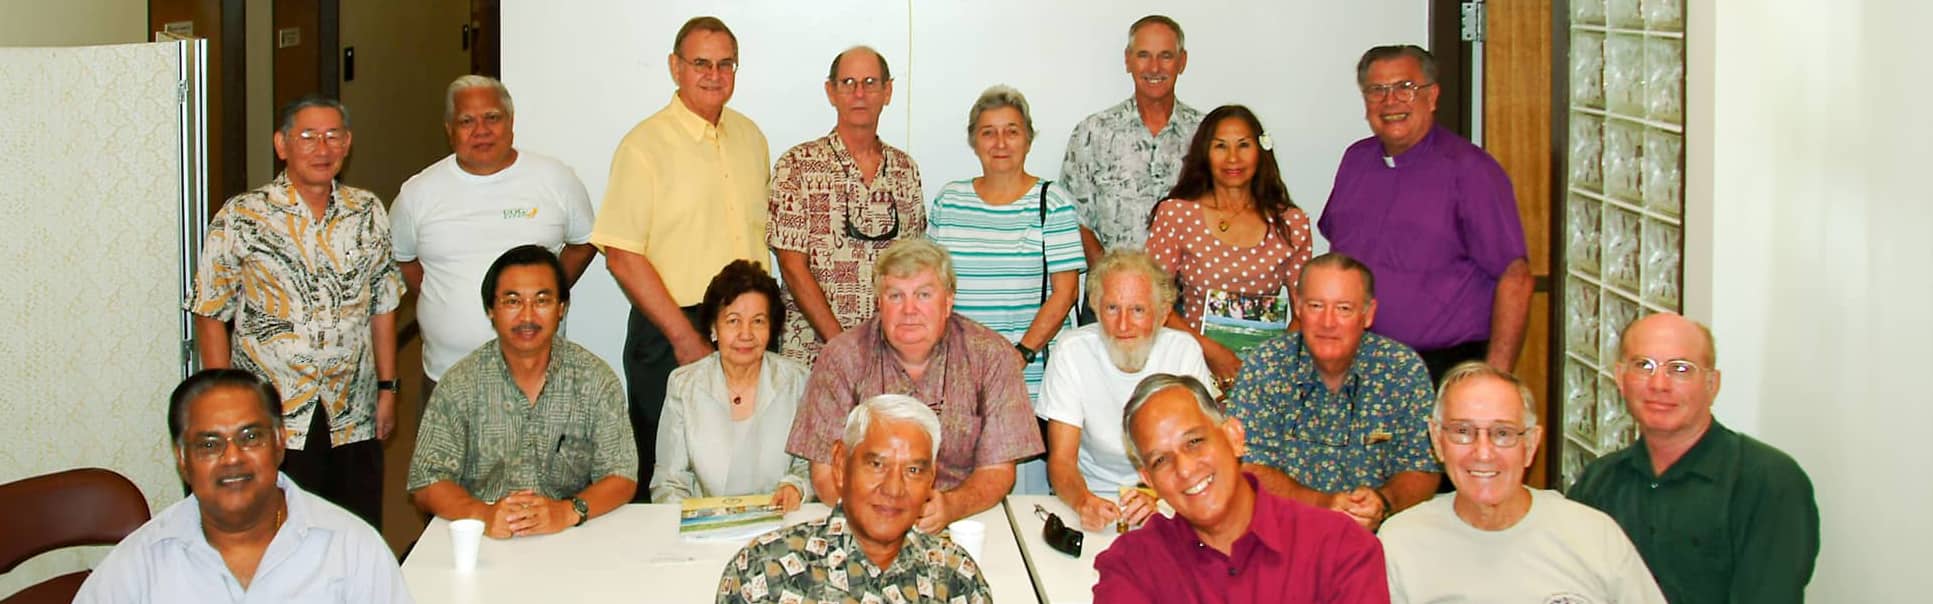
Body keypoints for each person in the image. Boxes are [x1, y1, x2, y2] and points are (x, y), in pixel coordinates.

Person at [188, 94, 403, 530]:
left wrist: (388, 387)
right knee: (277, 530)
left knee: (354, 530)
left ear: (347, 145)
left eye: (332, 136)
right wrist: (225, 402)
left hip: (352, 409)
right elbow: (210, 311)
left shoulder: (368, 211)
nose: (321, 149)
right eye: (307, 137)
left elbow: (384, 303)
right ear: (281, 145)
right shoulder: (244, 216)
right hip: (273, 412)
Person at [590, 16, 771, 500]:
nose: (714, 74)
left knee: (746, 465)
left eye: (726, 63)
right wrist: (684, 336)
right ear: (675, 67)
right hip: (672, 330)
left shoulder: (751, 138)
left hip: (748, 328)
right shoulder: (643, 146)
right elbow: (622, 255)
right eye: (700, 63)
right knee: (665, 476)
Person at [76, 370, 410, 602]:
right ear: (182, 459)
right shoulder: (139, 564)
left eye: (250, 437)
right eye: (209, 444)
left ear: (280, 443)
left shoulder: (352, 550)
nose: (232, 457)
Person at [786, 237, 1042, 533]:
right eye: (896, 296)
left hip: (965, 519)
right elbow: (825, 471)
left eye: (923, 295)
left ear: (947, 302)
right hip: (862, 522)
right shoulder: (841, 357)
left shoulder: (992, 356)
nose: (909, 310)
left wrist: (952, 506)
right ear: (878, 302)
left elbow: (999, 472)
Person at [1569, 313, 1819, 603]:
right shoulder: (1599, 482)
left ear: (1712, 384)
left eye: (1680, 369)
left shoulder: (1767, 481)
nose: (1659, 384)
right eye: (1643, 366)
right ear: (1621, 379)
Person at [1319, 44, 1532, 383]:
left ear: (1432, 96)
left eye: (1405, 88)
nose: (1390, 102)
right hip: (1359, 364)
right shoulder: (1355, 161)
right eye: (1377, 90)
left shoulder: (1471, 171)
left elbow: (1516, 278)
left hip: (1441, 368)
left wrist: (1494, 379)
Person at [1380, 362, 1665, 603]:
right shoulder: (1400, 543)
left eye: (1502, 433)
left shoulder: (1594, 536)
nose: (1483, 452)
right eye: (1462, 431)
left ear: (1530, 444)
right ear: (1437, 440)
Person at [391, 75, 597, 408]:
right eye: (467, 121)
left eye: (492, 118)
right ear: (449, 129)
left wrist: (547, 289)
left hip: (538, 377)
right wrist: (442, 298)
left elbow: (584, 242)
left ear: (511, 123)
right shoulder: (418, 193)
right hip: (448, 378)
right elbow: (404, 260)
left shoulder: (556, 179)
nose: (481, 130)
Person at [406, 245, 637, 539]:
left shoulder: (594, 380)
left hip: (572, 532)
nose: (527, 316)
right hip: (485, 533)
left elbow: (622, 474)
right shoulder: (461, 383)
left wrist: (568, 511)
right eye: (512, 301)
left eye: (542, 300)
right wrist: (482, 514)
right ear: (491, 309)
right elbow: (426, 480)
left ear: (562, 308)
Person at [1093, 374, 1388, 603]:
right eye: (1161, 460)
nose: (1184, 469)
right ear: (1149, 480)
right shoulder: (1132, 566)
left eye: (1195, 442)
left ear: (1234, 436)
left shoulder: (1341, 548)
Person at [927, 84, 1082, 494]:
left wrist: (1019, 356)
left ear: (1028, 138)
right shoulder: (950, 201)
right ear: (973, 140)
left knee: (1021, 496)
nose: (1000, 142)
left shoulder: (1054, 202)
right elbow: (931, 287)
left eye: (1011, 131)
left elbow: (1065, 293)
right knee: (955, 492)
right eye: (988, 132)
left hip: (1025, 378)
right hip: (956, 376)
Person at [1227, 253, 1440, 531]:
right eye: (1316, 306)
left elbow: (1423, 467)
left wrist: (1383, 502)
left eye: (1344, 309)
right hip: (1283, 533)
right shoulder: (1266, 365)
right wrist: (1324, 505)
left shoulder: (1402, 370)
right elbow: (1248, 467)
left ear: (1369, 314)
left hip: (1381, 537)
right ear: (1299, 308)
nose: (1328, 322)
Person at [718, 395, 991, 603]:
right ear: (839, 464)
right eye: (876, 465)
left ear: (931, 479)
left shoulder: (954, 575)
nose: (894, 489)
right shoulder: (764, 571)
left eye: (913, 470)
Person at [1036, 249, 1216, 531]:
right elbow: (1061, 461)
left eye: (1138, 310)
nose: (1123, 324)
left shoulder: (1183, 352)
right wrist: (1084, 501)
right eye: (1112, 308)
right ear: (1095, 306)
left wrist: (1158, 497)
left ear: (1164, 313)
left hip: (1171, 498)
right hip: (1090, 498)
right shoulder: (1071, 351)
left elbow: (1202, 453)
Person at [768, 46, 926, 365]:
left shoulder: (904, 170)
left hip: (889, 355)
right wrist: (842, 345)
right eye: (848, 83)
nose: (859, 93)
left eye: (870, 82)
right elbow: (792, 266)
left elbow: (914, 267)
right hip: (812, 355)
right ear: (831, 91)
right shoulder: (797, 165)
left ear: (888, 91)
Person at [1145, 104, 1313, 389]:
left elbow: (1306, 309)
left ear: (1261, 151)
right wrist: (1211, 352)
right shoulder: (1176, 214)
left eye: (1243, 145)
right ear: (1205, 154)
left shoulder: (1290, 222)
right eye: (1220, 146)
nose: (1232, 158)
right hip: (1190, 364)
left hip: (1267, 372)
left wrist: (1267, 363)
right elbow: (1151, 300)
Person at [651, 260, 811, 509]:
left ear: (771, 328)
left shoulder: (798, 381)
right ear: (714, 327)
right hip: (704, 529)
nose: (746, 334)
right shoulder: (684, 385)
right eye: (733, 321)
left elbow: (809, 465)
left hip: (778, 523)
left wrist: (795, 487)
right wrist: (695, 525)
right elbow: (669, 482)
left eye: (758, 321)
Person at [1060, 14, 1202, 266]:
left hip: (1186, 297)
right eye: (1144, 55)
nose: (1154, 68)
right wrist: (1111, 283)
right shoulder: (1094, 132)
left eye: (1166, 56)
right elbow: (1073, 218)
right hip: (1110, 297)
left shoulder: (1206, 135)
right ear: (1128, 60)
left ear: (1182, 62)